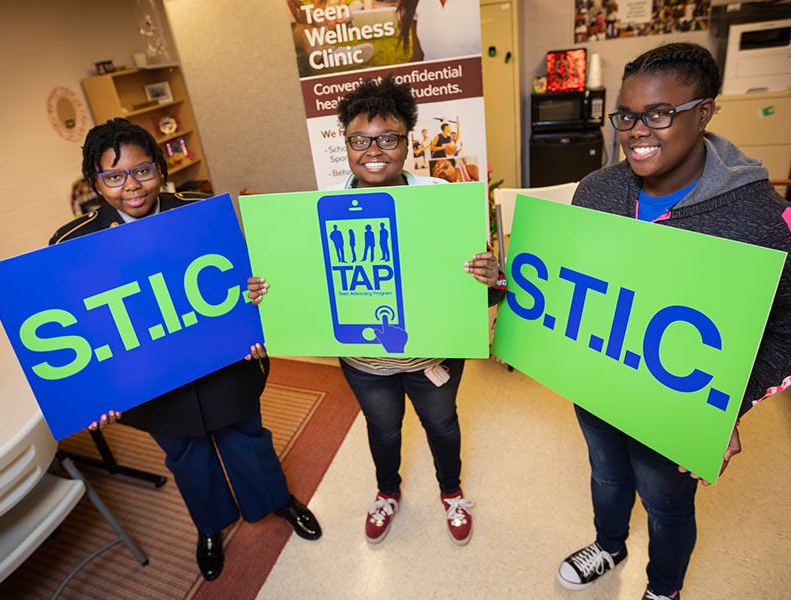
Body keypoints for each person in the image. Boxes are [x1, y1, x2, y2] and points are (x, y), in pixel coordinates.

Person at [554, 43, 791, 600]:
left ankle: (663, 590)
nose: (638, 131)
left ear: (705, 111)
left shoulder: (761, 217)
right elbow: (572, 280)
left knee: (666, 503)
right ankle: (609, 544)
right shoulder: (597, 192)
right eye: (627, 116)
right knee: (607, 474)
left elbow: (789, 326)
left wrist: (731, 400)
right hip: (599, 380)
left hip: (675, 403)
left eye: (659, 114)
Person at [50, 118, 322, 582]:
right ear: (95, 182)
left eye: (143, 171)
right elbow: (78, 326)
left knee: (248, 439)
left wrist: (255, 300)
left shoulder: (202, 212)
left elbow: (246, 277)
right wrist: (95, 395)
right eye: (113, 177)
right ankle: (211, 527)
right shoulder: (70, 243)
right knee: (186, 456)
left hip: (224, 363)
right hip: (150, 382)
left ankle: (276, 502)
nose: (131, 187)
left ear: (160, 167)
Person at [248, 75, 503, 546]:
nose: (374, 150)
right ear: (345, 143)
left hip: (433, 357)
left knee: (442, 425)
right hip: (365, 361)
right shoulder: (321, 209)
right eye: (360, 139)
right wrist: (269, 292)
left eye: (388, 138)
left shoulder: (443, 203)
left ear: (407, 142)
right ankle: (388, 492)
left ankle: (451, 492)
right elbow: (305, 285)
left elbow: (487, 294)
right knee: (383, 430)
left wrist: (490, 277)